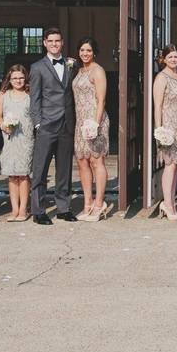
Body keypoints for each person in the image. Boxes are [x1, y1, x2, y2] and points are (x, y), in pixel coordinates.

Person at [28, 27, 77, 225]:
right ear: (45, 43)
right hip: (47, 124)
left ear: (62, 43)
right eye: (51, 41)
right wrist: (38, 123)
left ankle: (63, 208)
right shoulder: (37, 67)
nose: (54, 44)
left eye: (58, 41)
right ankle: (38, 211)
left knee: (64, 170)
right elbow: (35, 98)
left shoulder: (70, 64)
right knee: (40, 170)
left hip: (67, 124)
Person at [73, 37, 111, 222]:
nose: (85, 54)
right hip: (80, 121)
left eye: (88, 50)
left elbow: (101, 99)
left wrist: (95, 124)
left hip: (95, 120)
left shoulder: (98, 70)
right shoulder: (79, 71)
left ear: (94, 52)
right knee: (82, 161)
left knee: (97, 161)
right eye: (82, 50)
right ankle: (87, 202)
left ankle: (99, 203)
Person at [152, 44, 177, 221]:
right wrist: (159, 130)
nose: (174, 60)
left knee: (175, 165)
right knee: (169, 165)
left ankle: (170, 202)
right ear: (164, 59)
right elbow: (157, 106)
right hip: (168, 126)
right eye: (170, 57)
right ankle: (167, 204)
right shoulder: (161, 78)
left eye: (176, 57)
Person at [0, 65, 33, 222]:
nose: (18, 81)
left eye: (21, 78)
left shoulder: (30, 94)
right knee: (12, 174)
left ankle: (23, 209)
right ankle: (14, 209)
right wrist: (3, 125)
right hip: (9, 139)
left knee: (23, 174)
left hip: (26, 138)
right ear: (9, 80)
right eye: (15, 78)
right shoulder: (4, 94)